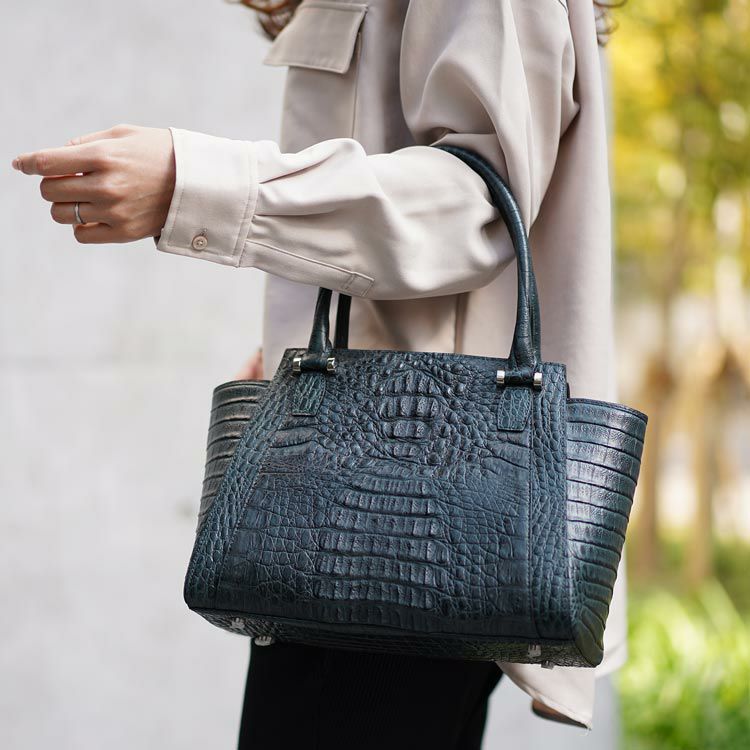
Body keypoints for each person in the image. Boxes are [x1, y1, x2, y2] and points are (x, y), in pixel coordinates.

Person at [12, 0, 628, 746]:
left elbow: (477, 203)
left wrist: (194, 183)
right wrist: (294, 354)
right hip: (366, 493)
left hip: (428, 512)